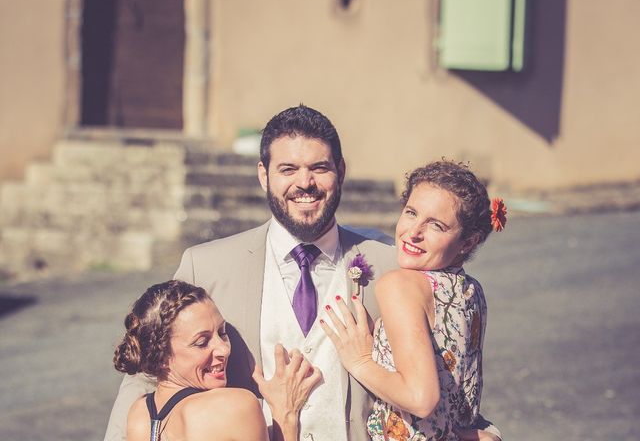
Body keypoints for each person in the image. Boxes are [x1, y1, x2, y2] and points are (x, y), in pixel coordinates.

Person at [104, 105, 398, 441]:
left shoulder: (387, 265)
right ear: (264, 174)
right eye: (288, 169)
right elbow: (150, 370)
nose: (305, 182)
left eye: (319, 167)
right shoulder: (207, 265)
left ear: (341, 172)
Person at [322, 161, 505, 440]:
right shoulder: (472, 291)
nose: (414, 232)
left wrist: (360, 362)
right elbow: (458, 414)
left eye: (436, 225)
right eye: (411, 212)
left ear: (467, 243)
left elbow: (421, 399)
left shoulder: (400, 285)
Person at [113, 280, 320, 441]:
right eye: (201, 342)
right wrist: (286, 415)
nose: (223, 349)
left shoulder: (140, 415)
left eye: (222, 332)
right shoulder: (233, 406)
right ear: (162, 357)